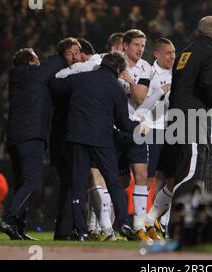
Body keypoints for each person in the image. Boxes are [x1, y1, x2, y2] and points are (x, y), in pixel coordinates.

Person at [50, 53, 144, 241]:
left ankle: (82, 231)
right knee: (114, 183)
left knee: (78, 186)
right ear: (118, 70)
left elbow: (54, 85)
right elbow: (123, 122)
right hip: (102, 140)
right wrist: (139, 128)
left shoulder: (81, 78)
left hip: (77, 137)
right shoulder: (116, 87)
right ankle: (124, 224)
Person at [167, 16, 212, 237]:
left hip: (178, 113)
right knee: (191, 171)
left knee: (185, 168)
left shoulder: (185, 51)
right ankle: (177, 228)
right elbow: (209, 84)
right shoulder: (211, 53)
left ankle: (180, 224)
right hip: (192, 117)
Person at [3, 48, 65, 240]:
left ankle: (18, 229)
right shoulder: (28, 74)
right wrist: (63, 53)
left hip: (17, 139)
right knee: (33, 182)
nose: (39, 62)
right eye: (37, 59)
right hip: (30, 137)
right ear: (30, 62)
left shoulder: (20, 79)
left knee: (23, 182)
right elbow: (48, 67)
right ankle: (9, 218)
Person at [133, 38, 175, 238]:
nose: (172, 57)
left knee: (174, 178)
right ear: (157, 54)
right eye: (167, 53)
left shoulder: (178, 74)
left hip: (172, 130)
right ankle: (140, 223)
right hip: (153, 129)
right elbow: (142, 101)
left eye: (173, 53)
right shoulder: (148, 73)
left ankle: (156, 219)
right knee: (148, 178)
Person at [118, 29, 153, 240]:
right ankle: (101, 226)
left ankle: (139, 226)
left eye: (143, 45)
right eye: (136, 45)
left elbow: (140, 98)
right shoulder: (112, 63)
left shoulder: (145, 68)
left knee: (141, 175)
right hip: (114, 129)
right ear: (125, 44)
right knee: (118, 182)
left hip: (137, 128)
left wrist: (130, 81)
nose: (140, 49)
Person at [51, 37, 83, 241]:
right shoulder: (60, 79)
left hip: (72, 137)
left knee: (72, 184)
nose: (74, 57)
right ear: (62, 56)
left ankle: (68, 228)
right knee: (70, 183)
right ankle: (65, 230)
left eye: (77, 52)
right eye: (69, 53)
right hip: (64, 139)